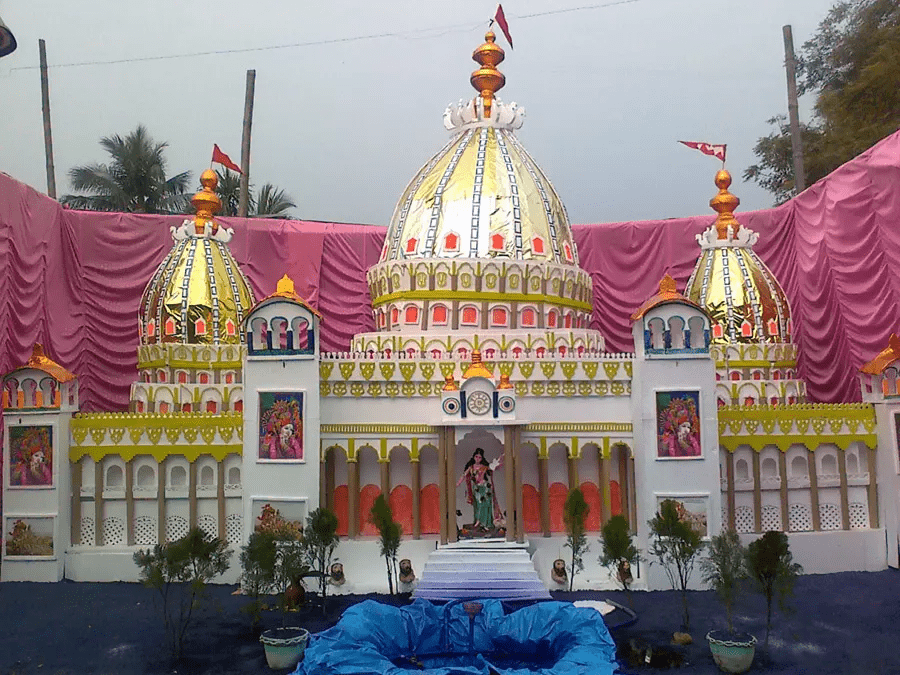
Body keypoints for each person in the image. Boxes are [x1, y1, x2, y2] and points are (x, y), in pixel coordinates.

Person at [457, 448, 503, 530]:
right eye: (476, 457)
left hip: (485, 488)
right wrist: (457, 483)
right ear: (474, 457)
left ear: (482, 459)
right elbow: (464, 475)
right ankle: (478, 521)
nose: (478, 459)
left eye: (479, 457)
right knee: (478, 505)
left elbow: (493, 468)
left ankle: (486, 524)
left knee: (486, 505)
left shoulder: (484, 467)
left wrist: (498, 461)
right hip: (477, 488)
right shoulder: (471, 467)